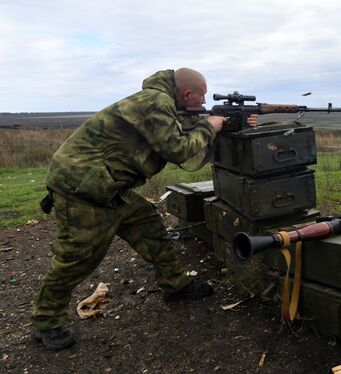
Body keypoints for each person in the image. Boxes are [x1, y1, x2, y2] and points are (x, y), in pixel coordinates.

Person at [31, 68, 254, 351]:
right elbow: (178, 149)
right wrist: (210, 126)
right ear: (186, 94)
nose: (205, 100)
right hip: (82, 190)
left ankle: (176, 286)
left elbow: (177, 132)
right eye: (203, 95)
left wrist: (235, 122)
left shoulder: (161, 105)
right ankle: (46, 322)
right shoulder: (155, 102)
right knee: (76, 259)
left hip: (110, 187)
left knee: (151, 229)